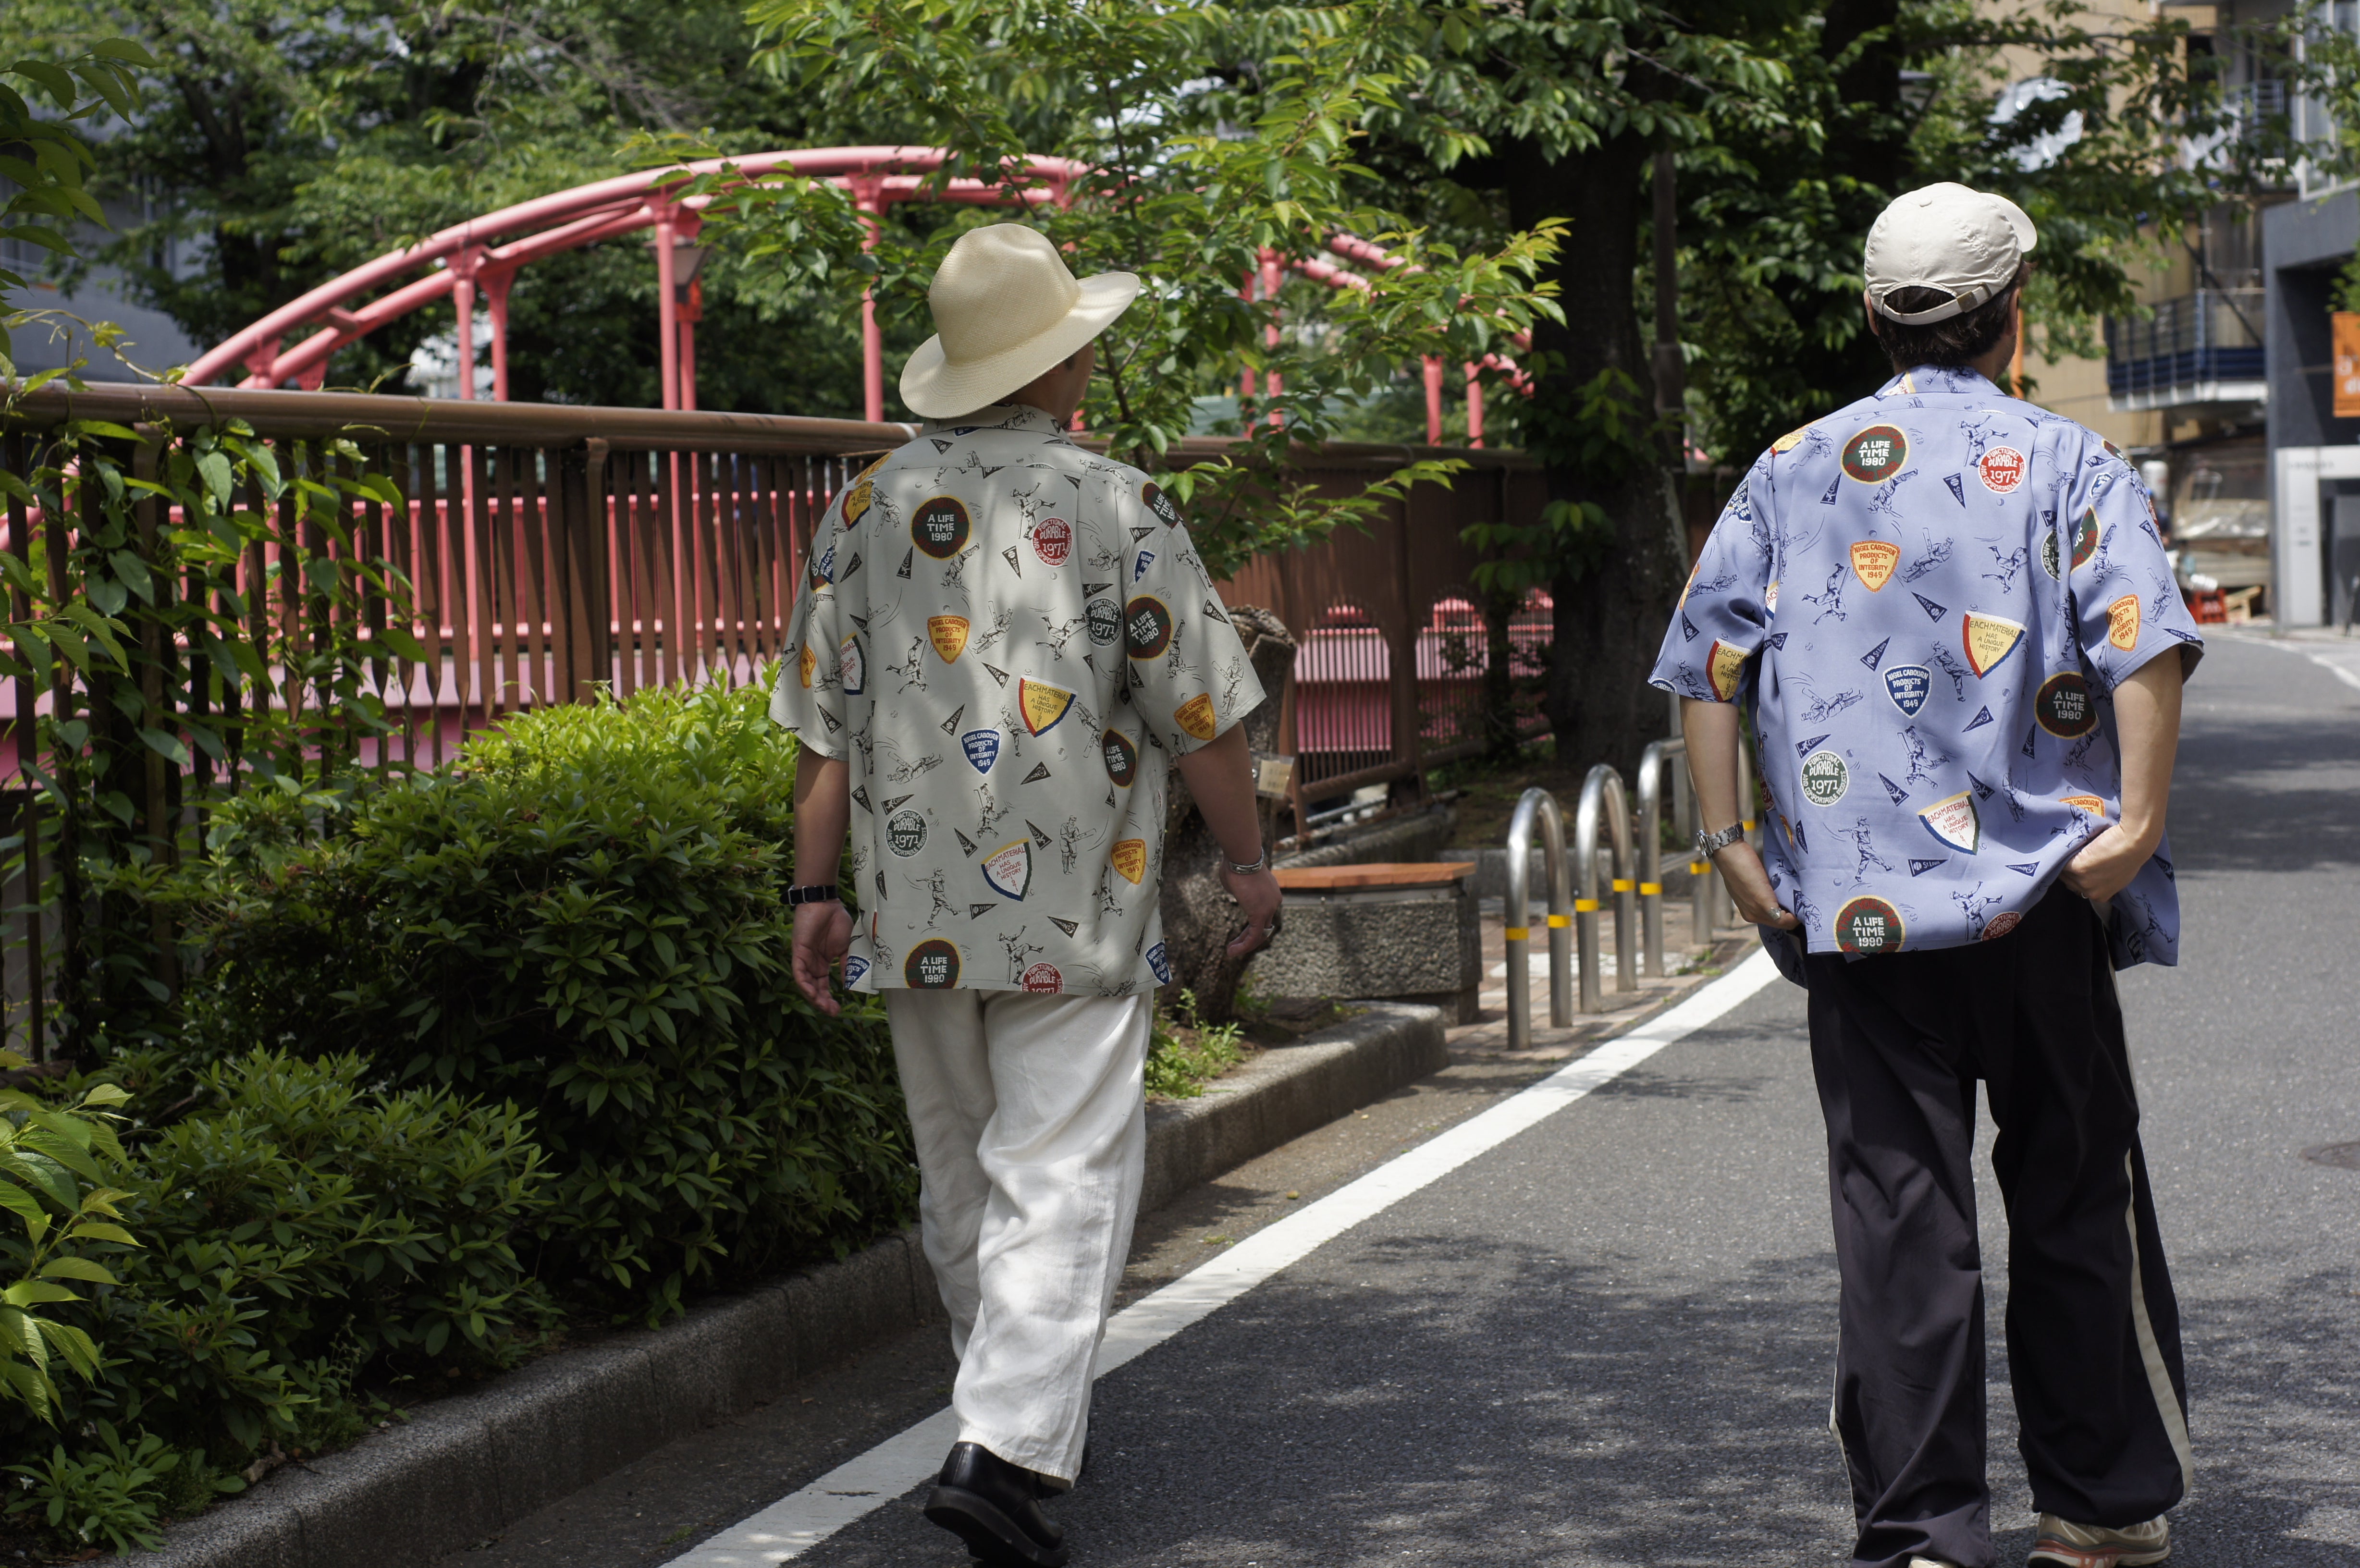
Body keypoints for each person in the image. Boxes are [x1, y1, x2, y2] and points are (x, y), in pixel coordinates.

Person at [1652, 184, 2201, 1568]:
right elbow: (2145, 641)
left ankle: (1917, 1536)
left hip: (1856, 914)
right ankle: (2097, 1510)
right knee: (2072, 1193)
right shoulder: (2071, 460)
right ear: (2013, 316)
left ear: (1871, 316)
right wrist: (2132, 822)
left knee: (1899, 1219)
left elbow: (1707, 666)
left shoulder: (1789, 469)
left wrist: (1731, 846)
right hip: (2040, 900)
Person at [770, 221, 1283, 1568]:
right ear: (1063, 363)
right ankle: (1003, 1444)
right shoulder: (1118, 504)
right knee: (1062, 1177)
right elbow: (1205, 719)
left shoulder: (864, 507)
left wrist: (810, 890)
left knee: (964, 1183)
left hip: (913, 909)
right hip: (1081, 908)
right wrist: (1246, 862)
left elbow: (823, 736)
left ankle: (1008, 1415)